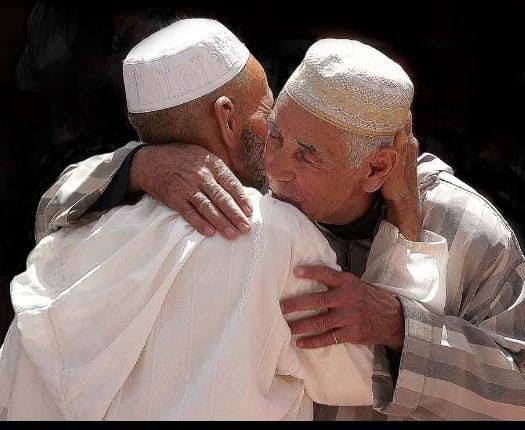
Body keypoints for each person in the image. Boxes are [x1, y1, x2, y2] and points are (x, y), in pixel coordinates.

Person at [0, 19, 447, 421]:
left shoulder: (61, 247)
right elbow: (376, 374)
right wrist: (406, 217)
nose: (274, 131)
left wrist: (136, 164)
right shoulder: (274, 236)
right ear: (227, 119)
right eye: (267, 112)